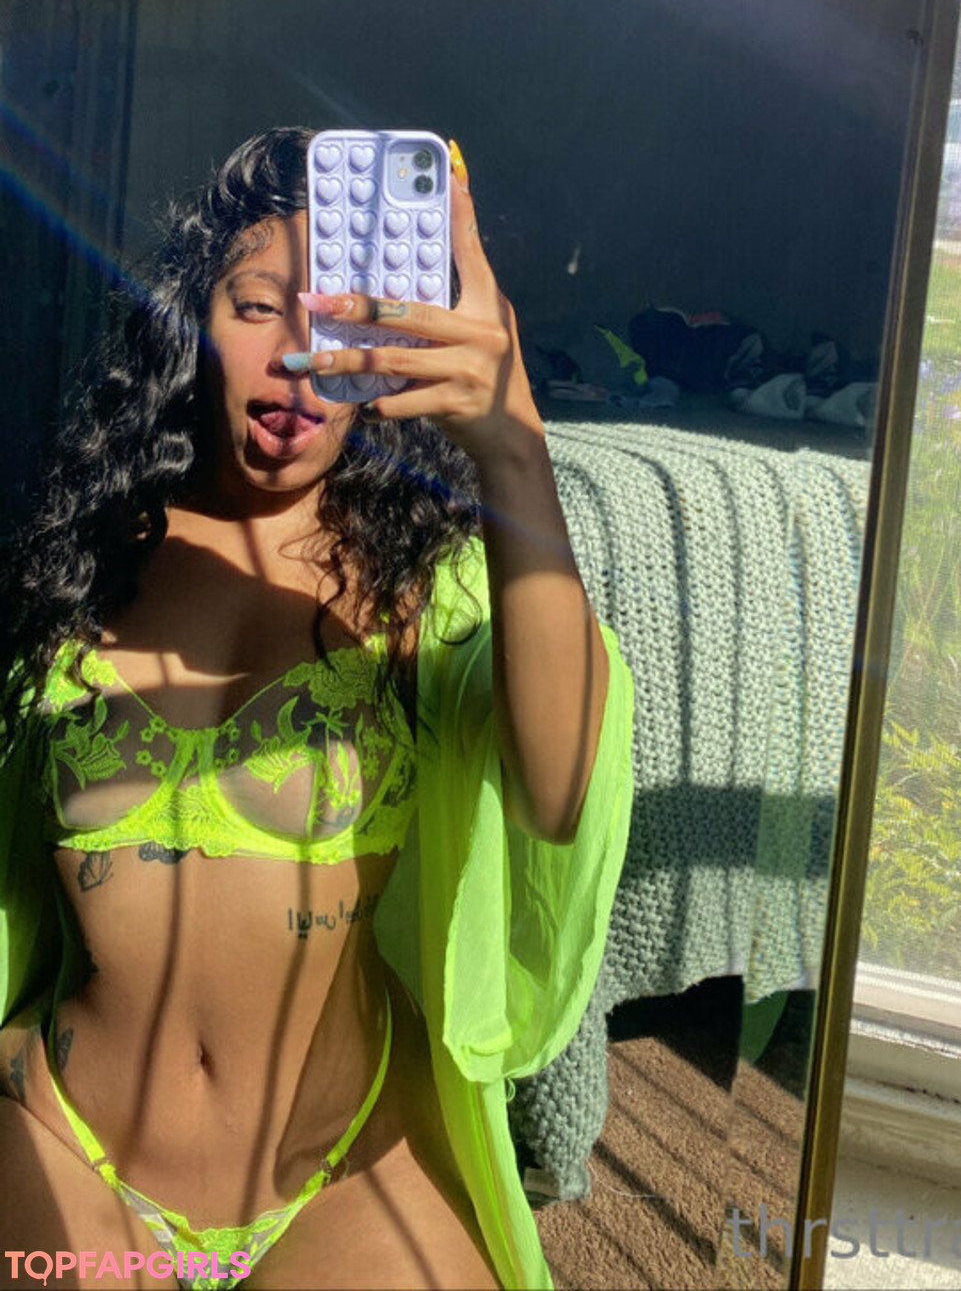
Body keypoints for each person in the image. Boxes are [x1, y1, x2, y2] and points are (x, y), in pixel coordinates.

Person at [0, 129, 633, 1291]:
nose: (298, 355)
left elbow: (558, 795)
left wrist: (513, 447)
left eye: (341, 318)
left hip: (340, 1177)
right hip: (65, 1140)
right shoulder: (81, 560)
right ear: (193, 321)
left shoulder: (427, 588)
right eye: (255, 306)